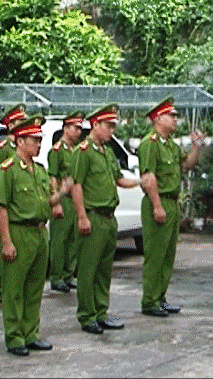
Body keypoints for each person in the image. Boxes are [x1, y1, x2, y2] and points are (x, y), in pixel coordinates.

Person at [0, 115, 70, 356]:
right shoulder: (8, 169)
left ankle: (31, 333)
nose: (38, 144)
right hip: (19, 232)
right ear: (20, 141)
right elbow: (1, 207)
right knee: (14, 289)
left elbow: (47, 200)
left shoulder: (40, 170)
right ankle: (15, 337)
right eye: (34, 140)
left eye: (39, 140)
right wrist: (6, 241)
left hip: (39, 231)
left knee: (35, 288)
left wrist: (62, 194)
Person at [70, 103, 139, 334]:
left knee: (103, 270)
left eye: (113, 126)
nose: (111, 130)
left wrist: (141, 182)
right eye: (108, 125)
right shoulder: (83, 151)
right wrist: (81, 216)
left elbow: (120, 179)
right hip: (93, 216)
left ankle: (101, 312)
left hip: (109, 218)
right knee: (88, 270)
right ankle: (87, 315)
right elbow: (76, 185)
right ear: (95, 124)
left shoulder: (107, 152)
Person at [138, 96, 203, 317]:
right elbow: (148, 177)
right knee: (155, 254)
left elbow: (186, 165)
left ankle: (160, 297)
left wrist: (196, 148)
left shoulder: (170, 145)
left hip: (172, 202)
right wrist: (157, 206)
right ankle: (149, 301)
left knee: (167, 255)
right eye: (171, 116)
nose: (175, 120)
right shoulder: (150, 143)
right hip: (159, 201)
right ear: (158, 118)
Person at [0, 103, 28, 304]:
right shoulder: (2, 149)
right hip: (7, 205)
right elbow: (1, 181)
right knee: (3, 249)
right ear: (10, 124)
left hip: (20, 207)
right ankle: (1, 289)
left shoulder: (18, 148)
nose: (23, 123)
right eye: (20, 121)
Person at [47, 111, 85, 293]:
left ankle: (69, 274)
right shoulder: (57, 150)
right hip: (63, 199)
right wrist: (56, 201)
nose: (78, 132)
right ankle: (57, 277)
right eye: (75, 128)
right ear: (65, 128)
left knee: (73, 239)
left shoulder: (76, 150)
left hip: (75, 200)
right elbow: (53, 175)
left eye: (80, 128)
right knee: (59, 241)